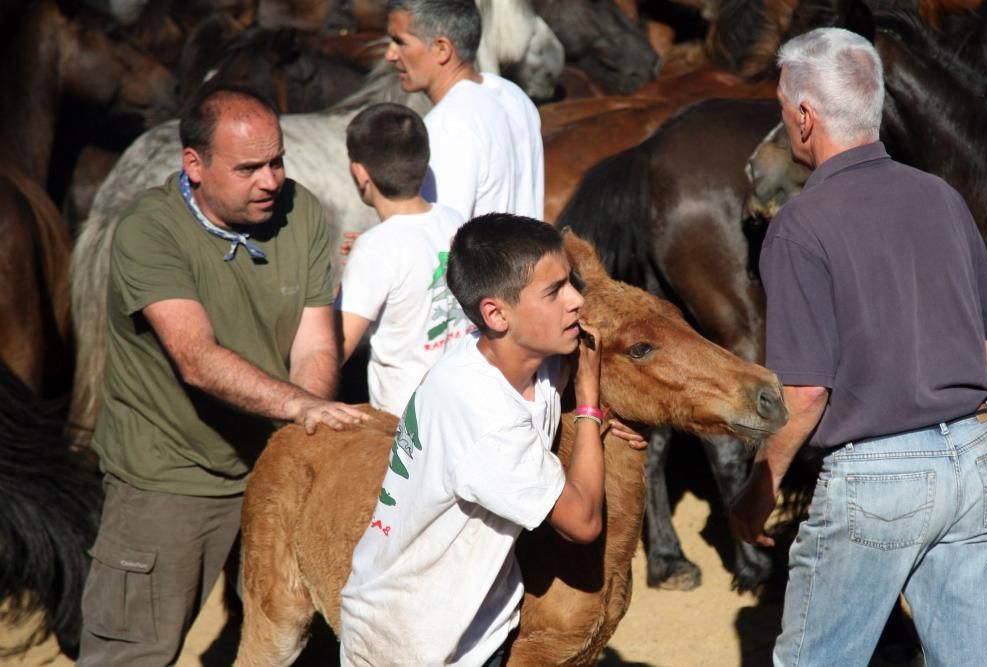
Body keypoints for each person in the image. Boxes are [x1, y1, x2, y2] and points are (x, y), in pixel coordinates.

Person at [730, 28, 987, 665]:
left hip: (878, 478)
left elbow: (804, 392)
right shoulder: (941, 197)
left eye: (780, 107)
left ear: (804, 116)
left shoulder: (800, 224)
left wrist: (760, 488)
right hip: (974, 455)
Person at [77, 87, 365, 666]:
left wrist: (301, 440)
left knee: (288, 644)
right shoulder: (147, 231)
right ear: (194, 165)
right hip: (169, 475)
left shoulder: (301, 210)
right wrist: (303, 410)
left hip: (272, 461)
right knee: (134, 651)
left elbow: (315, 339)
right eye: (249, 168)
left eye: (277, 161)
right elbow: (197, 358)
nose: (271, 181)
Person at [339, 214, 618, 665]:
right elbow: (582, 522)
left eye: (571, 283)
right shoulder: (481, 412)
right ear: (495, 313)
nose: (575, 301)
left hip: (473, 625)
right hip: (412, 644)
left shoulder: (523, 358)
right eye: (554, 292)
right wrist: (588, 407)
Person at [337, 102, 475, 417]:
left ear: (359, 173)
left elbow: (334, 347)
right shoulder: (456, 220)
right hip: (461, 406)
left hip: (404, 426)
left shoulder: (376, 249)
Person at [384, 0, 544, 220]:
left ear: (442, 49)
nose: (390, 55)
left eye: (400, 42)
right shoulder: (514, 96)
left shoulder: (446, 124)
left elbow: (442, 237)